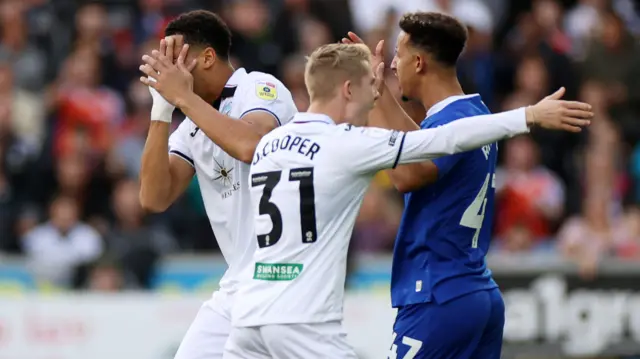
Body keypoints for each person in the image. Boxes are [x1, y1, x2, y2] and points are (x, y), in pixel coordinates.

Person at [221, 43, 591, 358]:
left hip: (248, 317)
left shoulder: (270, 142)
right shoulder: (348, 143)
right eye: (372, 84)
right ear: (349, 89)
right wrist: (528, 115)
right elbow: (446, 140)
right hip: (302, 322)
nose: (379, 92)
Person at [341, 12, 577, 359]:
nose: (392, 65)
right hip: (473, 289)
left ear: (419, 62)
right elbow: (420, 146)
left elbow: (406, 175)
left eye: (398, 55)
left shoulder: (452, 125)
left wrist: (370, 97)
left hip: (438, 295)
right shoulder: (472, 115)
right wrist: (379, 94)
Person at [137, 10, 298, 359]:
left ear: (208, 57)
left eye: (176, 58)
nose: (168, 71)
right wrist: (161, 112)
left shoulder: (258, 87)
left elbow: (250, 145)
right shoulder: (192, 124)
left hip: (285, 279)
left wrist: (183, 99)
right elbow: (153, 197)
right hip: (238, 283)